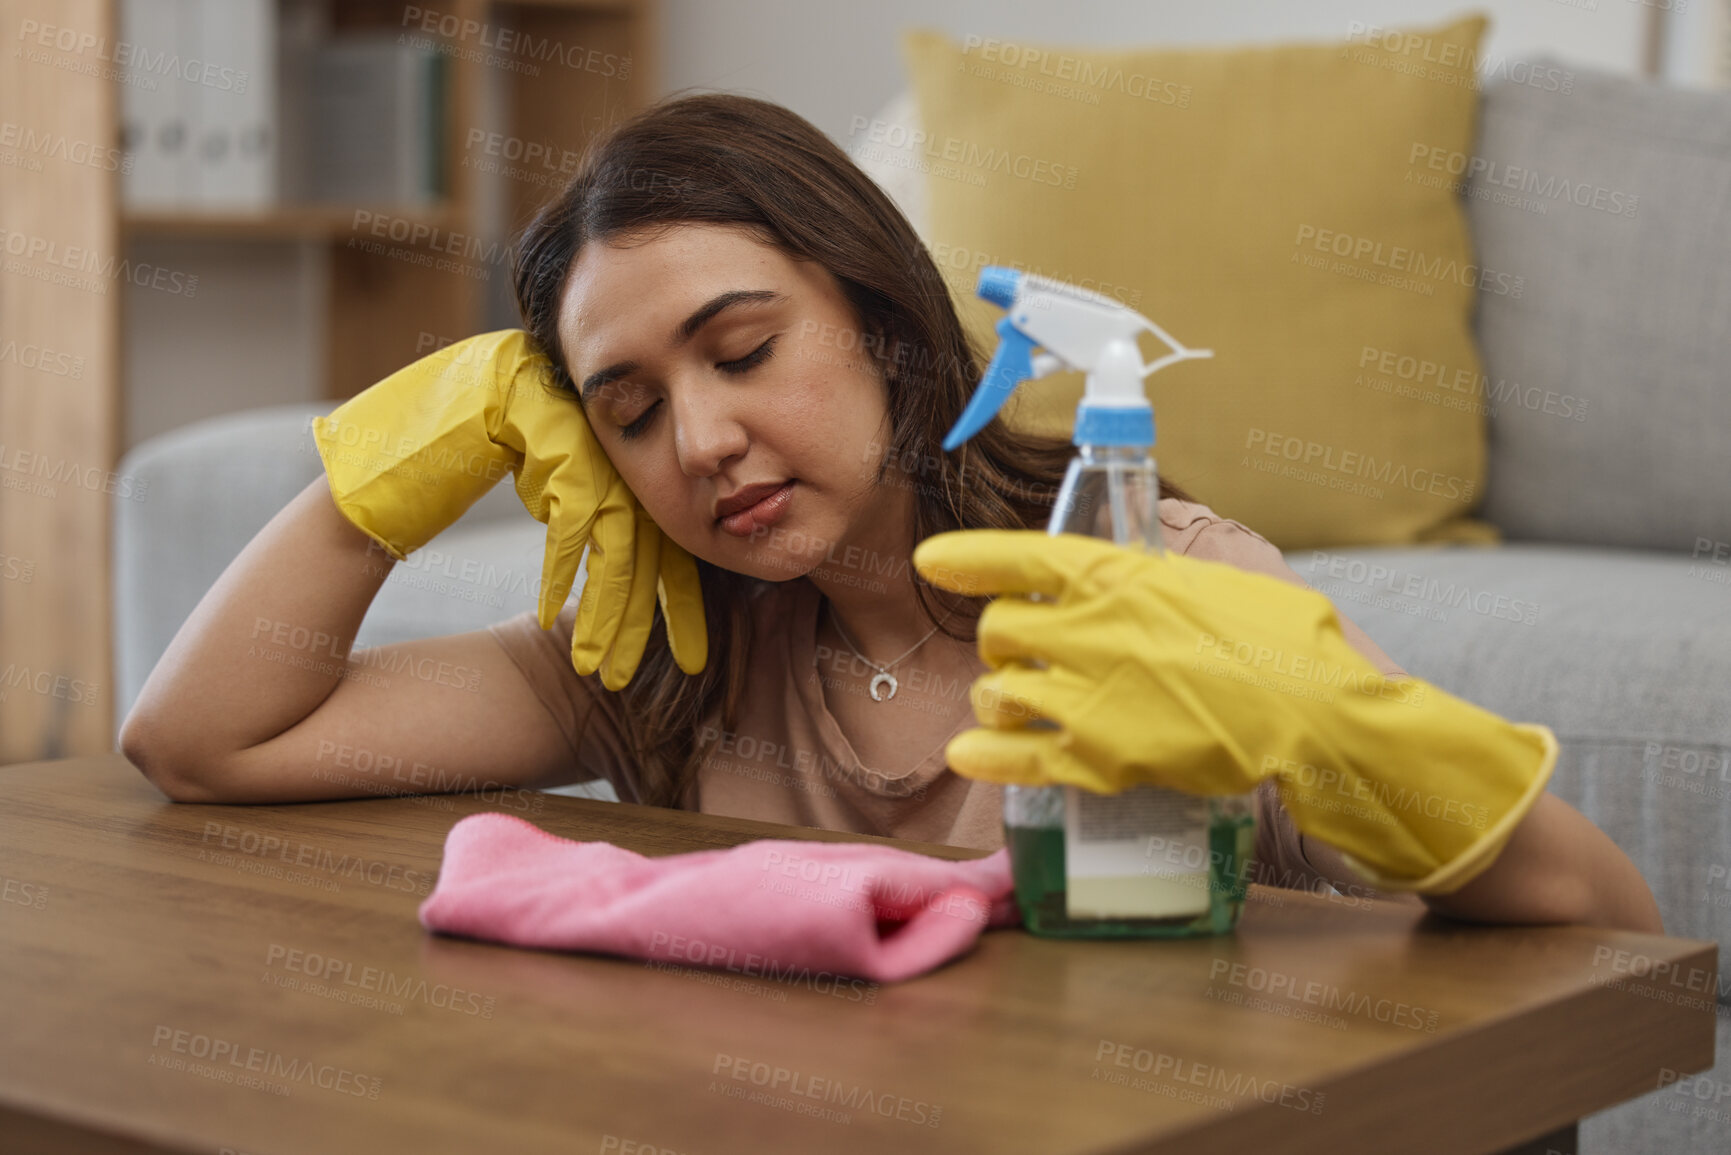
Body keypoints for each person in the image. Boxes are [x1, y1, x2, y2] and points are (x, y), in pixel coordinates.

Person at [119, 91, 1661, 934]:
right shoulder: (662, 655)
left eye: (742, 351)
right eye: (630, 410)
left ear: (879, 312)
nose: (705, 441)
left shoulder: (1147, 597)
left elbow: (1607, 921)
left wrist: (1336, 727)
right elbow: (202, 741)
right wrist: (422, 442)